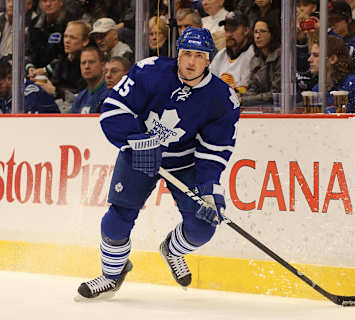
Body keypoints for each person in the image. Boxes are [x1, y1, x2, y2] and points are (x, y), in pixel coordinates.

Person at [76, 27, 240, 299]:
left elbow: (215, 150)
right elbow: (113, 111)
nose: (190, 61)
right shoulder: (149, 71)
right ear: (178, 54)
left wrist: (210, 191)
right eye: (186, 53)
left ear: (209, 59)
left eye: (199, 55)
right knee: (115, 224)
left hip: (184, 163)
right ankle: (111, 275)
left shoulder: (223, 98)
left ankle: (172, 250)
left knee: (202, 229)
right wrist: (139, 141)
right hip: (139, 155)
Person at [30, 20, 90, 112]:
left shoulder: (89, 65)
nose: (67, 41)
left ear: (85, 41)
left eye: (73, 37)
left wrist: (55, 91)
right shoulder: (61, 61)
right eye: (65, 36)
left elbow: (82, 95)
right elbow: (54, 83)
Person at [309, 33, 355, 113]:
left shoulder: (354, 84)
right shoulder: (317, 89)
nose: (310, 59)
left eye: (316, 55)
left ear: (332, 59)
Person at [25, 0, 77, 76]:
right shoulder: (34, 24)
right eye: (44, 1)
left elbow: (72, 56)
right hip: (35, 75)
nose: (48, 4)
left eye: (52, 0)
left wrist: (47, 70)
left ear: (61, 2)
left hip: (63, 77)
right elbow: (28, 52)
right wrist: (30, 67)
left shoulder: (71, 23)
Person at [209, 11, 254, 93]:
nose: (229, 34)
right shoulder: (221, 55)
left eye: (233, 30)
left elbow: (247, 90)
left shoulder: (253, 54)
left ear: (246, 30)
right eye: (226, 30)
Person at [240, 16, 281, 106]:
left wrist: (244, 100)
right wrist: (238, 97)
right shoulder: (255, 59)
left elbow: (276, 94)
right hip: (263, 106)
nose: (258, 36)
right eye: (255, 32)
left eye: (262, 32)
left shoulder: (281, 57)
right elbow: (253, 89)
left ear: (272, 34)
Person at [70, 46, 108, 113]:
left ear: (103, 65)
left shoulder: (110, 94)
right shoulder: (80, 97)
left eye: (91, 62)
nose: (87, 66)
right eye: (83, 63)